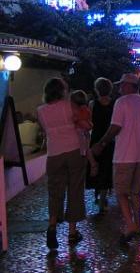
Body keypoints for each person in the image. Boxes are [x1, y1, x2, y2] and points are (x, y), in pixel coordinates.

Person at [91, 73, 140, 244]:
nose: (119, 89)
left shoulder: (122, 103)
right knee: (136, 192)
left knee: (121, 192)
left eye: (122, 85)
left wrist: (101, 143)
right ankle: (138, 224)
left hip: (124, 155)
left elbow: (115, 127)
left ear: (129, 86)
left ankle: (130, 226)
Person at [38, 78, 87, 250]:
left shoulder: (41, 110)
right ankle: (72, 232)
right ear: (61, 91)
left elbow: (46, 132)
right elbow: (82, 123)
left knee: (55, 191)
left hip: (54, 154)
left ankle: (52, 225)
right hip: (73, 150)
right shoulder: (69, 106)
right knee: (74, 189)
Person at [87, 77, 115, 214]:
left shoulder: (93, 104)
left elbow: (89, 121)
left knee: (97, 168)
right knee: (107, 168)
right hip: (110, 139)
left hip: (96, 139)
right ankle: (103, 198)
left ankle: (97, 196)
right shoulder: (114, 104)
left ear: (97, 89)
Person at [70, 90, 99, 178]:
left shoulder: (80, 110)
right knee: (86, 149)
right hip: (85, 133)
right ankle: (91, 163)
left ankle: (93, 164)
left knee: (85, 150)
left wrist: (75, 119)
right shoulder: (86, 108)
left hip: (81, 133)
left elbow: (79, 121)